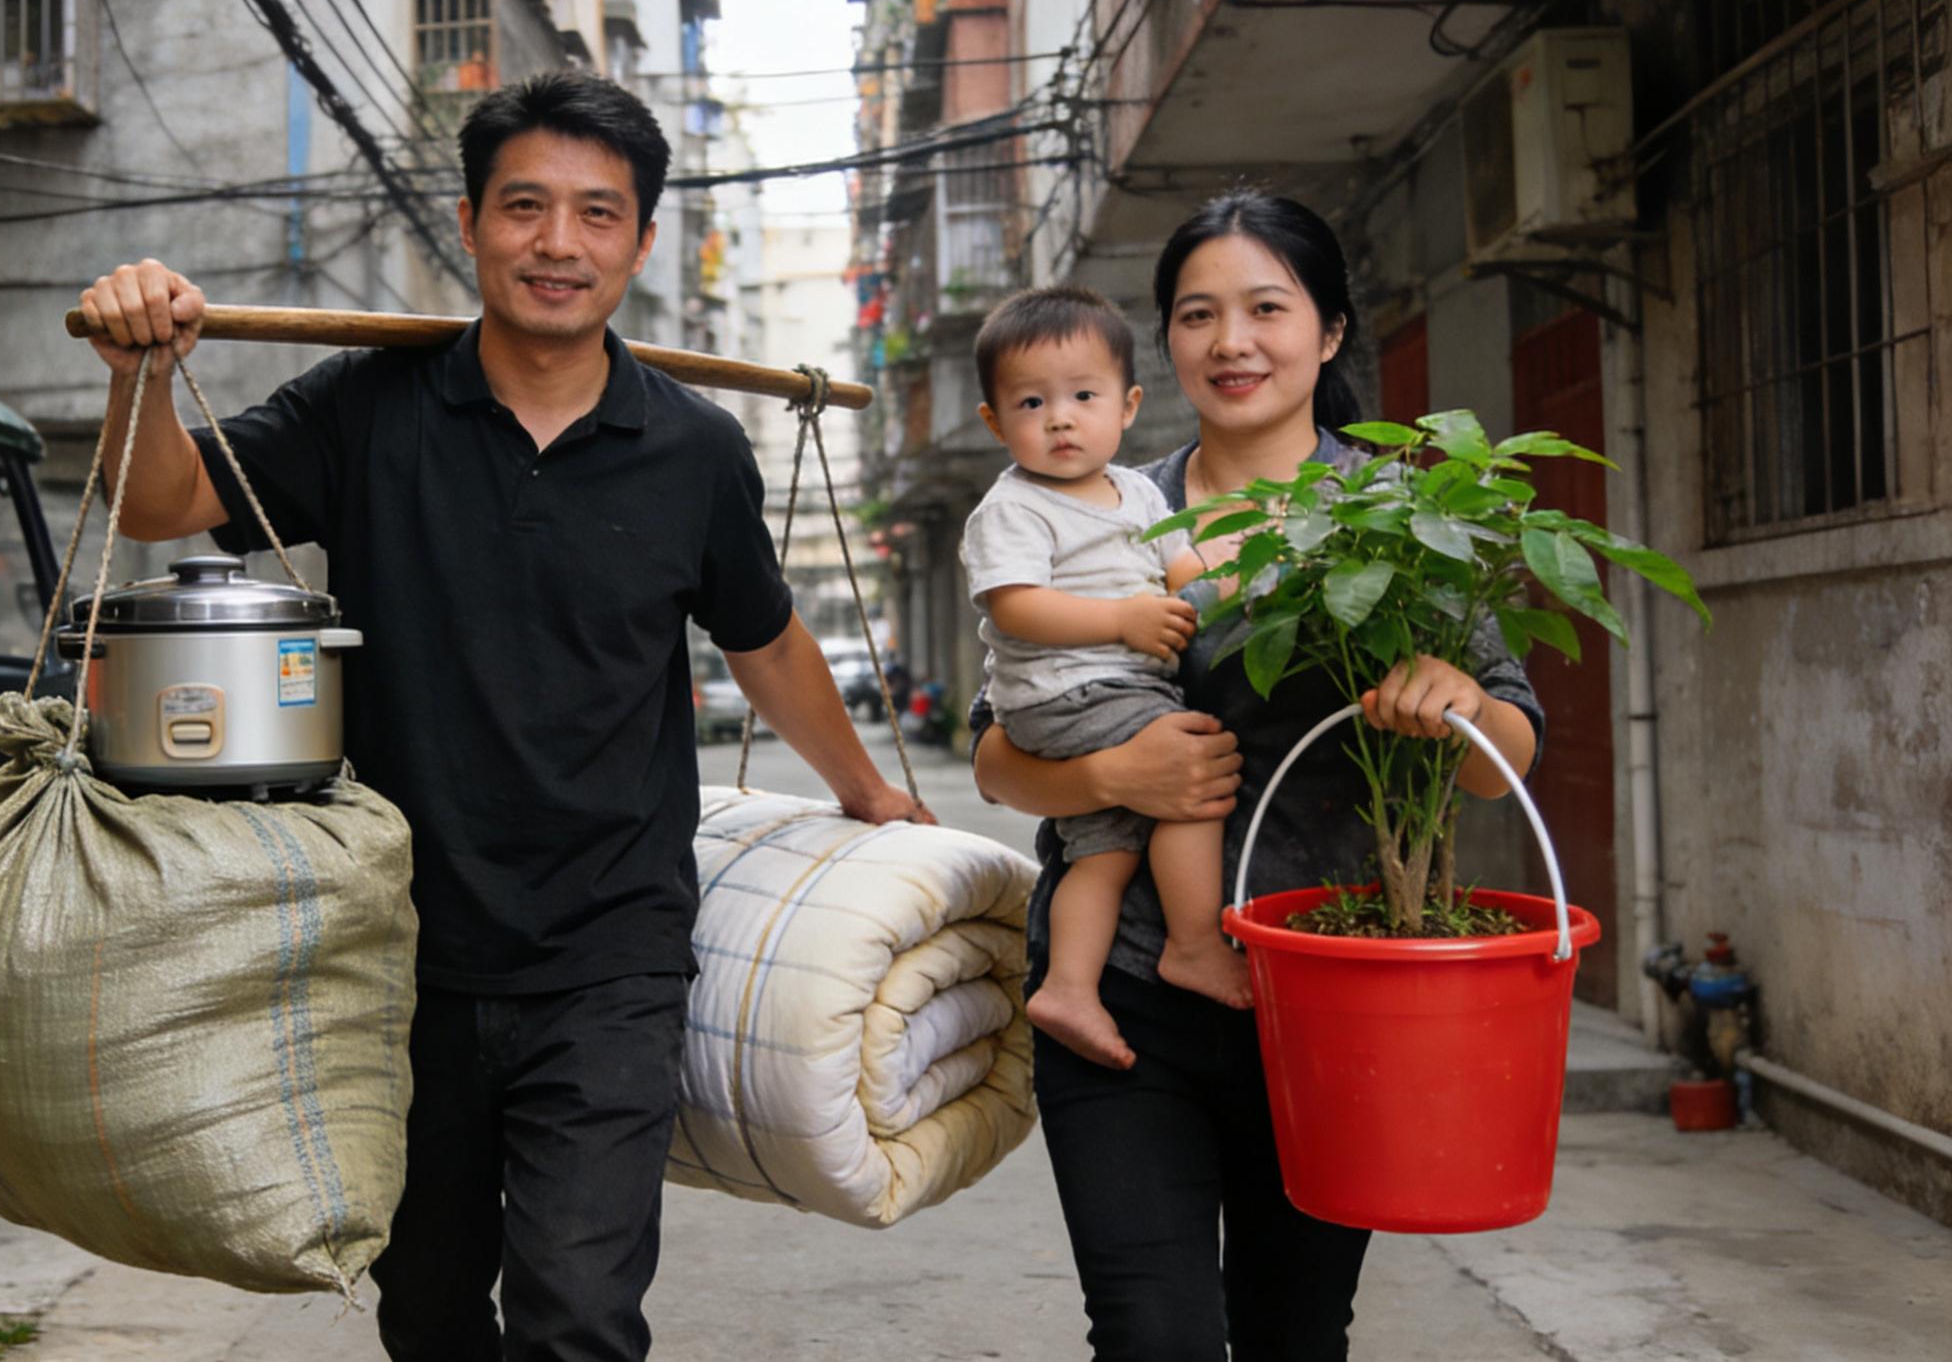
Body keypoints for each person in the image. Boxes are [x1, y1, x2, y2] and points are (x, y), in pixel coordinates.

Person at [75, 71, 926, 1362]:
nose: (558, 242)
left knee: (578, 1313)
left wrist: (865, 789)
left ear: (641, 243)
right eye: (526, 206)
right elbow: (160, 504)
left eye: (597, 214)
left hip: (612, 955)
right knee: (425, 1309)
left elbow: (769, 645)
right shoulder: (366, 410)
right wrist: (141, 369)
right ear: (469, 223)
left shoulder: (695, 448)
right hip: (401, 947)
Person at [971, 191, 1542, 1360]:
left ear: (1329, 330)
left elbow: (1508, 762)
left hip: (1329, 1001)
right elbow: (997, 755)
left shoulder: (1405, 514)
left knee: (1293, 1332)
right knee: (1151, 1333)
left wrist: (1462, 704)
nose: (1230, 341)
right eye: (1197, 314)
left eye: (1265, 308)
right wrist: (1116, 772)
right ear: (1165, 343)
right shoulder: (1097, 502)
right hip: (1123, 998)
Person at [958, 287, 1247, 1076]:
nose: (1059, 417)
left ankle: (1069, 986)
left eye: (1083, 396)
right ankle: (1193, 944)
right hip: (1067, 690)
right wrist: (1122, 620)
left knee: (1107, 846)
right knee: (1191, 770)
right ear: (994, 421)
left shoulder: (1141, 492)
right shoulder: (1013, 508)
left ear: (1127, 406)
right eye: (1031, 401)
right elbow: (1015, 607)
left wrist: (1245, 581)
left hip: (1108, 688)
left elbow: (1188, 569)